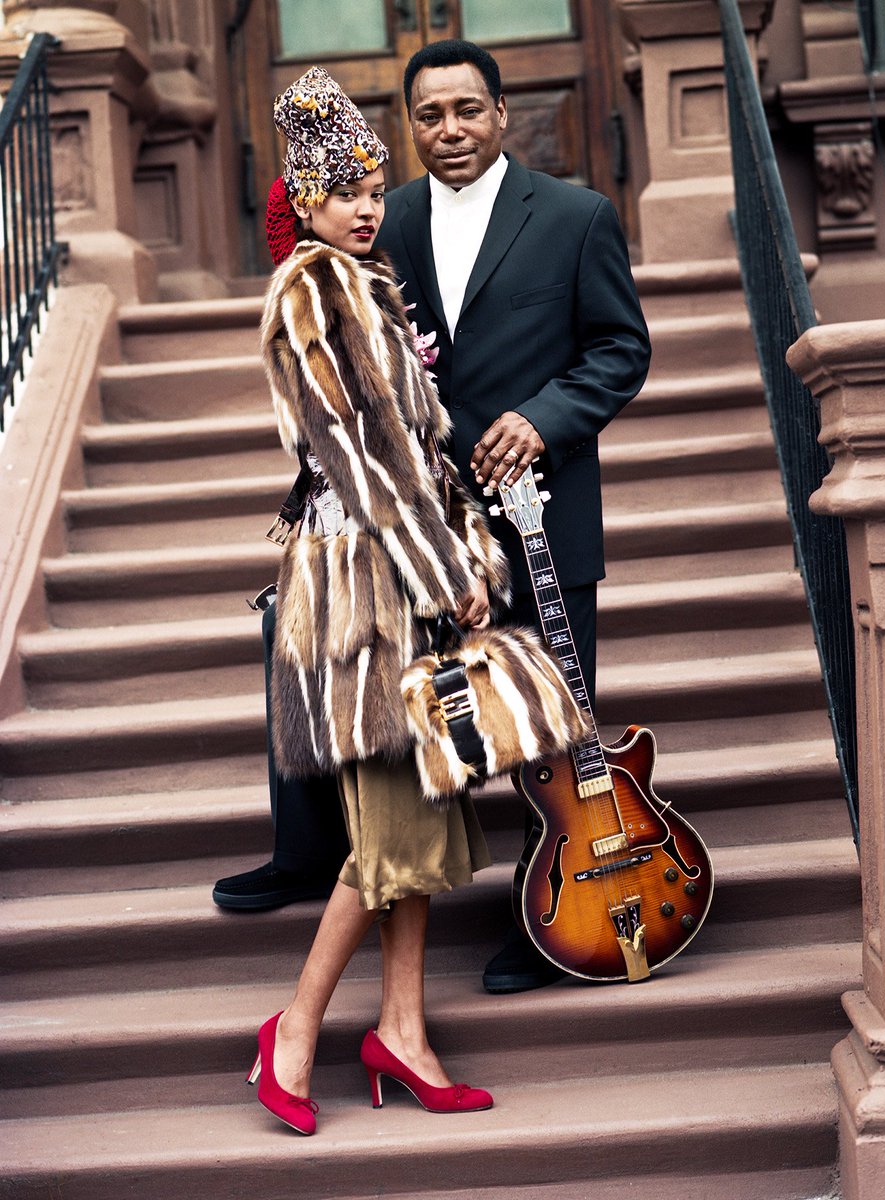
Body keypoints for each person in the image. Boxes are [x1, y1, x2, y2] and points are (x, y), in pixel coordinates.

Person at [214, 39, 651, 994]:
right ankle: (311, 855)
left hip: (539, 511)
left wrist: (543, 420)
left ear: (501, 113)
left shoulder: (577, 217)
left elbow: (622, 350)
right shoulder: (373, 217)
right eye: (428, 115)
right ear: (408, 127)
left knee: (547, 722)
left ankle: (552, 912)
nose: (448, 129)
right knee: (387, 705)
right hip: (416, 524)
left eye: (466, 109)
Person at [244, 65, 509, 1135]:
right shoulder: (317, 288)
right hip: (366, 586)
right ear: (304, 202)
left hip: (402, 577)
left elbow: (421, 450)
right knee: (389, 831)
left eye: (372, 187)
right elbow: (369, 460)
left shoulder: (367, 285)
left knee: (423, 812)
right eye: (346, 190)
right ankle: (296, 1028)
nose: (367, 206)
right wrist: (456, 571)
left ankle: (402, 1029)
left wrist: (468, 553)